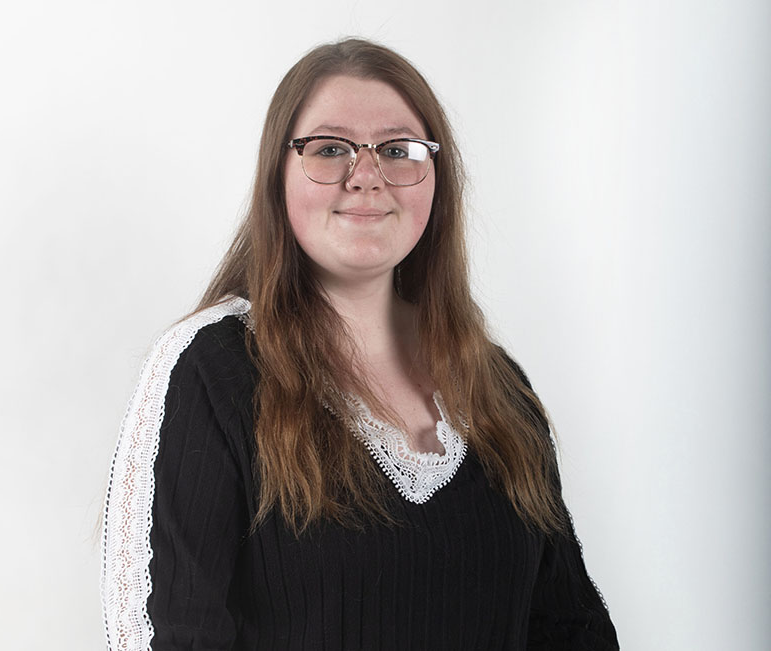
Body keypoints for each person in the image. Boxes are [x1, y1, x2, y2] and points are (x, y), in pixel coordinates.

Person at [100, 38, 619, 650]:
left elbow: (569, 629)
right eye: (329, 149)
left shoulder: (497, 385)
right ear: (277, 175)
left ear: (437, 178)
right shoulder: (209, 370)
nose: (367, 177)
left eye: (398, 150)